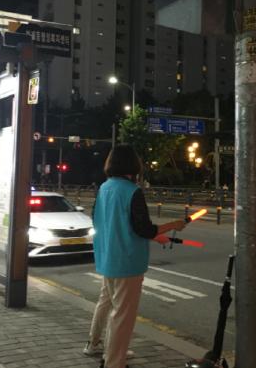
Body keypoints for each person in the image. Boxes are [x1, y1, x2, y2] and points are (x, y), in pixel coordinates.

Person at [84, 145, 186, 368]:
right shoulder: (132, 191)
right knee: (122, 316)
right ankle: (114, 362)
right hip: (127, 262)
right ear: (133, 164)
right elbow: (144, 229)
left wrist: (154, 235)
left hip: (107, 257)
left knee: (110, 306)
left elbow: (105, 221)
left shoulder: (104, 188)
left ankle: (102, 348)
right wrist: (173, 225)